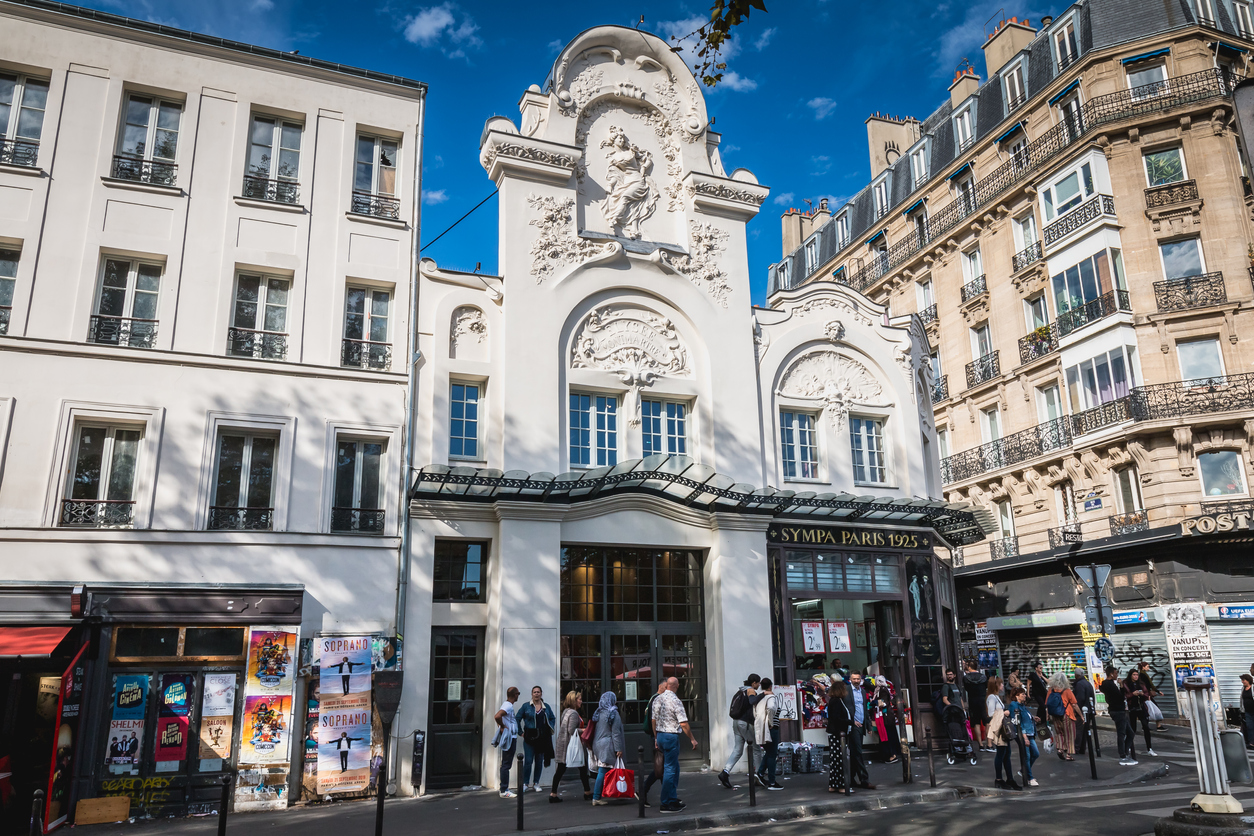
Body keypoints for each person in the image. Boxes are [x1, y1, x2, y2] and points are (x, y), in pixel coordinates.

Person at [654, 677, 698, 813]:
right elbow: (683, 723)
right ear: (677, 686)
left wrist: (656, 737)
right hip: (670, 736)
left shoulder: (658, 698)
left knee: (674, 768)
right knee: (670, 770)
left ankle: (672, 798)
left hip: (661, 734)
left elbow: (653, 719)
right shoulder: (675, 701)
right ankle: (666, 803)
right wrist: (692, 738)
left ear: (667, 685)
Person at [718, 674, 765, 789]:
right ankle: (759, 775)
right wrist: (764, 694)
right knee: (756, 749)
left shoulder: (741, 691)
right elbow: (752, 701)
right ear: (753, 683)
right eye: (758, 683)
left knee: (738, 749)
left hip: (736, 722)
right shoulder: (750, 690)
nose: (759, 685)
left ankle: (725, 772)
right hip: (746, 723)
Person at [551, 691, 591, 803]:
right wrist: (584, 730)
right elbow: (571, 730)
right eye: (579, 699)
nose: (581, 701)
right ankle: (587, 792)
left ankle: (553, 794)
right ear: (574, 700)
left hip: (564, 744)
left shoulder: (566, 711)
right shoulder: (573, 713)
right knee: (581, 768)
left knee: (562, 769)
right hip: (569, 746)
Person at [589, 691, 626, 805]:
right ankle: (597, 797)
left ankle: (607, 793)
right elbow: (615, 733)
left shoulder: (598, 712)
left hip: (598, 744)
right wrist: (618, 748)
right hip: (607, 745)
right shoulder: (613, 713)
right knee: (603, 770)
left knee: (605, 769)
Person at [516, 686, 556, 792]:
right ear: (532, 694)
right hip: (529, 737)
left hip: (542, 737)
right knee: (528, 761)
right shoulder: (526, 706)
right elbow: (517, 718)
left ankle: (536, 783)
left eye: (538, 692)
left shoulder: (545, 707)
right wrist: (520, 732)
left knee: (539, 761)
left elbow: (552, 718)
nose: (536, 694)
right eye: (534, 692)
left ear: (541, 694)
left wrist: (549, 728)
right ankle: (525, 783)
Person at [842, 672, 876, 789]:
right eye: (854, 679)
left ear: (861, 679)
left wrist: (868, 725)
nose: (856, 681)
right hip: (852, 725)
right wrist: (848, 721)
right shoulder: (846, 690)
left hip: (861, 724)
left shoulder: (862, 691)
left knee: (855, 753)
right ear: (850, 679)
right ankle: (864, 779)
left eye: (858, 679)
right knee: (857, 752)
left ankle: (851, 778)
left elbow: (864, 709)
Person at [986, 676, 1020, 790]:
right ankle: (999, 779)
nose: (1002, 686)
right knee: (1001, 754)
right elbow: (991, 713)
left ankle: (1009, 779)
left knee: (1006, 754)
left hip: (1002, 728)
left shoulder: (996, 697)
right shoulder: (992, 697)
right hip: (999, 729)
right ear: (996, 685)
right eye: (1000, 684)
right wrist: (1003, 712)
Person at [1100, 665, 1137, 766]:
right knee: (1122, 733)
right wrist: (1121, 686)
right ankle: (1122, 755)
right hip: (1118, 710)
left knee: (1130, 733)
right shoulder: (1110, 685)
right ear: (1111, 674)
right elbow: (1120, 697)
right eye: (1116, 673)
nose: (1117, 675)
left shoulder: (1107, 684)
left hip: (1117, 710)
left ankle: (1125, 752)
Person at [639, 681, 668, 806]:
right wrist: (656, 737)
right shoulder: (657, 699)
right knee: (660, 768)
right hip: (657, 737)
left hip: (655, 736)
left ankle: (668, 796)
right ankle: (643, 790)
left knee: (661, 768)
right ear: (660, 686)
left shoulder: (653, 698)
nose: (667, 689)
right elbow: (654, 720)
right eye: (666, 687)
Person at [751, 677, 783, 790]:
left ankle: (760, 773)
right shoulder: (771, 697)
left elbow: (754, 712)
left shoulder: (759, 698)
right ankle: (772, 782)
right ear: (770, 686)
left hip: (760, 728)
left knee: (768, 752)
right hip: (771, 728)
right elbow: (771, 708)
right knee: (772, 754)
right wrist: (770, 722)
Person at [493, 686, 521, 798]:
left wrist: (502, 725)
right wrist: (503, 726)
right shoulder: (508, 706)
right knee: (506, 764)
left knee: (505, 763)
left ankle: (504, 788)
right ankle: (504, 790)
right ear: (515, 695)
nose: (518, 695)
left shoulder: (507, 705)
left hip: (510, 736)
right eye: (518, 693)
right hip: (510, 737)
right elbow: (497, 716)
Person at [1009, 686, 1039, 787]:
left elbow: (1025, 716)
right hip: (1023, 734)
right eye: (1023, 694)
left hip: (1030, 732)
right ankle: (1030, 777)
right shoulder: (1014, 705)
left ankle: (1024, 770)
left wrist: (1033, 718)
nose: (1025, 696)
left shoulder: (1022, 705)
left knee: (1035, 753)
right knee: (1027, 756)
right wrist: (1024, 737)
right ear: (1017, 695)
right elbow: (1018, 722)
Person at [826, 679, 852, 794]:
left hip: (835, 733)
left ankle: (834, 784)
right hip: (838, 733)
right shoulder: (836, 701)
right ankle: (841, 785)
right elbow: (836, 718)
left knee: (836, 760)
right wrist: (849, 722)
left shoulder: (835, 701)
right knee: (839, 760)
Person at [1045, 672, 1077, 761]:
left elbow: (1047, 704)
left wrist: (1047, 715)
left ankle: (1060, 749)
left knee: (1059, 733)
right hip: (1067, 714)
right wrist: (1081, 715)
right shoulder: (1067, 690)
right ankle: (1068, 754)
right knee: (1069, 734)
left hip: (1055, 715)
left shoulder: (1051, 690)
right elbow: (1074, 704)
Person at [1124, 669, 1156, 757]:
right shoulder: (1126, 684)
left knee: (1146, 727)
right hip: (1132, 708)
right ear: (1130, 675)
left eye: (1137, 675)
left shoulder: (1141, 684)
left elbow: (1147, 695)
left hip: (1141, 707)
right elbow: (1124, 696)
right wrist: (1132, 694)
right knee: (1132, 728)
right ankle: (1129, 746)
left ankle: (1149, 748)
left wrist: (1142, 694)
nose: (1136, 676)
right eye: (1134, 675)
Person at [963, 661, 991, 752]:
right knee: (987, 722)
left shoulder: (966, 678)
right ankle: (989, 744)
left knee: (976, 723)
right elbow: (986, 687)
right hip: (983, 700)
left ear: (969, 668)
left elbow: (966, 688)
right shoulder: (983, 677)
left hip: (973, 700)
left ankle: (980, 744)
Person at [873, 676, 901, 764]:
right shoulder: (880, 689)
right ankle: (890, 754)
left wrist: (874, 702)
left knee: (887, 735)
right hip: (886, 717)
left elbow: (883, 703)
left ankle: (891, 755)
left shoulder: (882, 690)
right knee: (888, 735)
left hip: (886, 717)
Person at [1072, 667, 1095, 756]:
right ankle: (1082, 748)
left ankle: (1077, 748)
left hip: (1082, 711)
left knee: (1079, 730)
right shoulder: (1087, 683)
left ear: (1077, 675)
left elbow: (1079, 699)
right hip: (1088, 711)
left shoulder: (1079, 684)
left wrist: (1077, 710)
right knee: (1084, 730)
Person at [1138, 662, 1167, 731]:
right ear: (1143, 667)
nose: (1149, 668)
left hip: (1146, 695)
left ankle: (1146, 726)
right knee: (1154, 709)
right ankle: (1158, 726)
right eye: (1147, 666)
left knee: (1147, 710)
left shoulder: (1143, 675)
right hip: (1146, 696)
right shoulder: (1143, 676)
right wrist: (1156, 691)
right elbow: (1149, 685)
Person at [1029, 662, 1049, 735]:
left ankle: (1039, 720)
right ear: (1036, 668)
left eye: (1042, 668)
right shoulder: (1033, 675)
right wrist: (1028, 693)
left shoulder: (1042, 674)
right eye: (1040, 668)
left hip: (1043, 693)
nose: (1041, 669)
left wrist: (1042, 676)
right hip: (1036, 693)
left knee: (1043, 706)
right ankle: (1041, 720)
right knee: (1042, 705)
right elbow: (1028, 684)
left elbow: (1048, 681)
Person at [1241, 675, 1254, 750]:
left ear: (1248, 680)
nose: (1242, 682)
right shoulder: (1243, 689)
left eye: (1244, 680)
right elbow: (1241, 700)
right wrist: (1241, 709)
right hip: (1247, 711)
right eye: (1242, 680)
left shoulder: (1253, 687)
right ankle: (1251, 743)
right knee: (1249, 727)